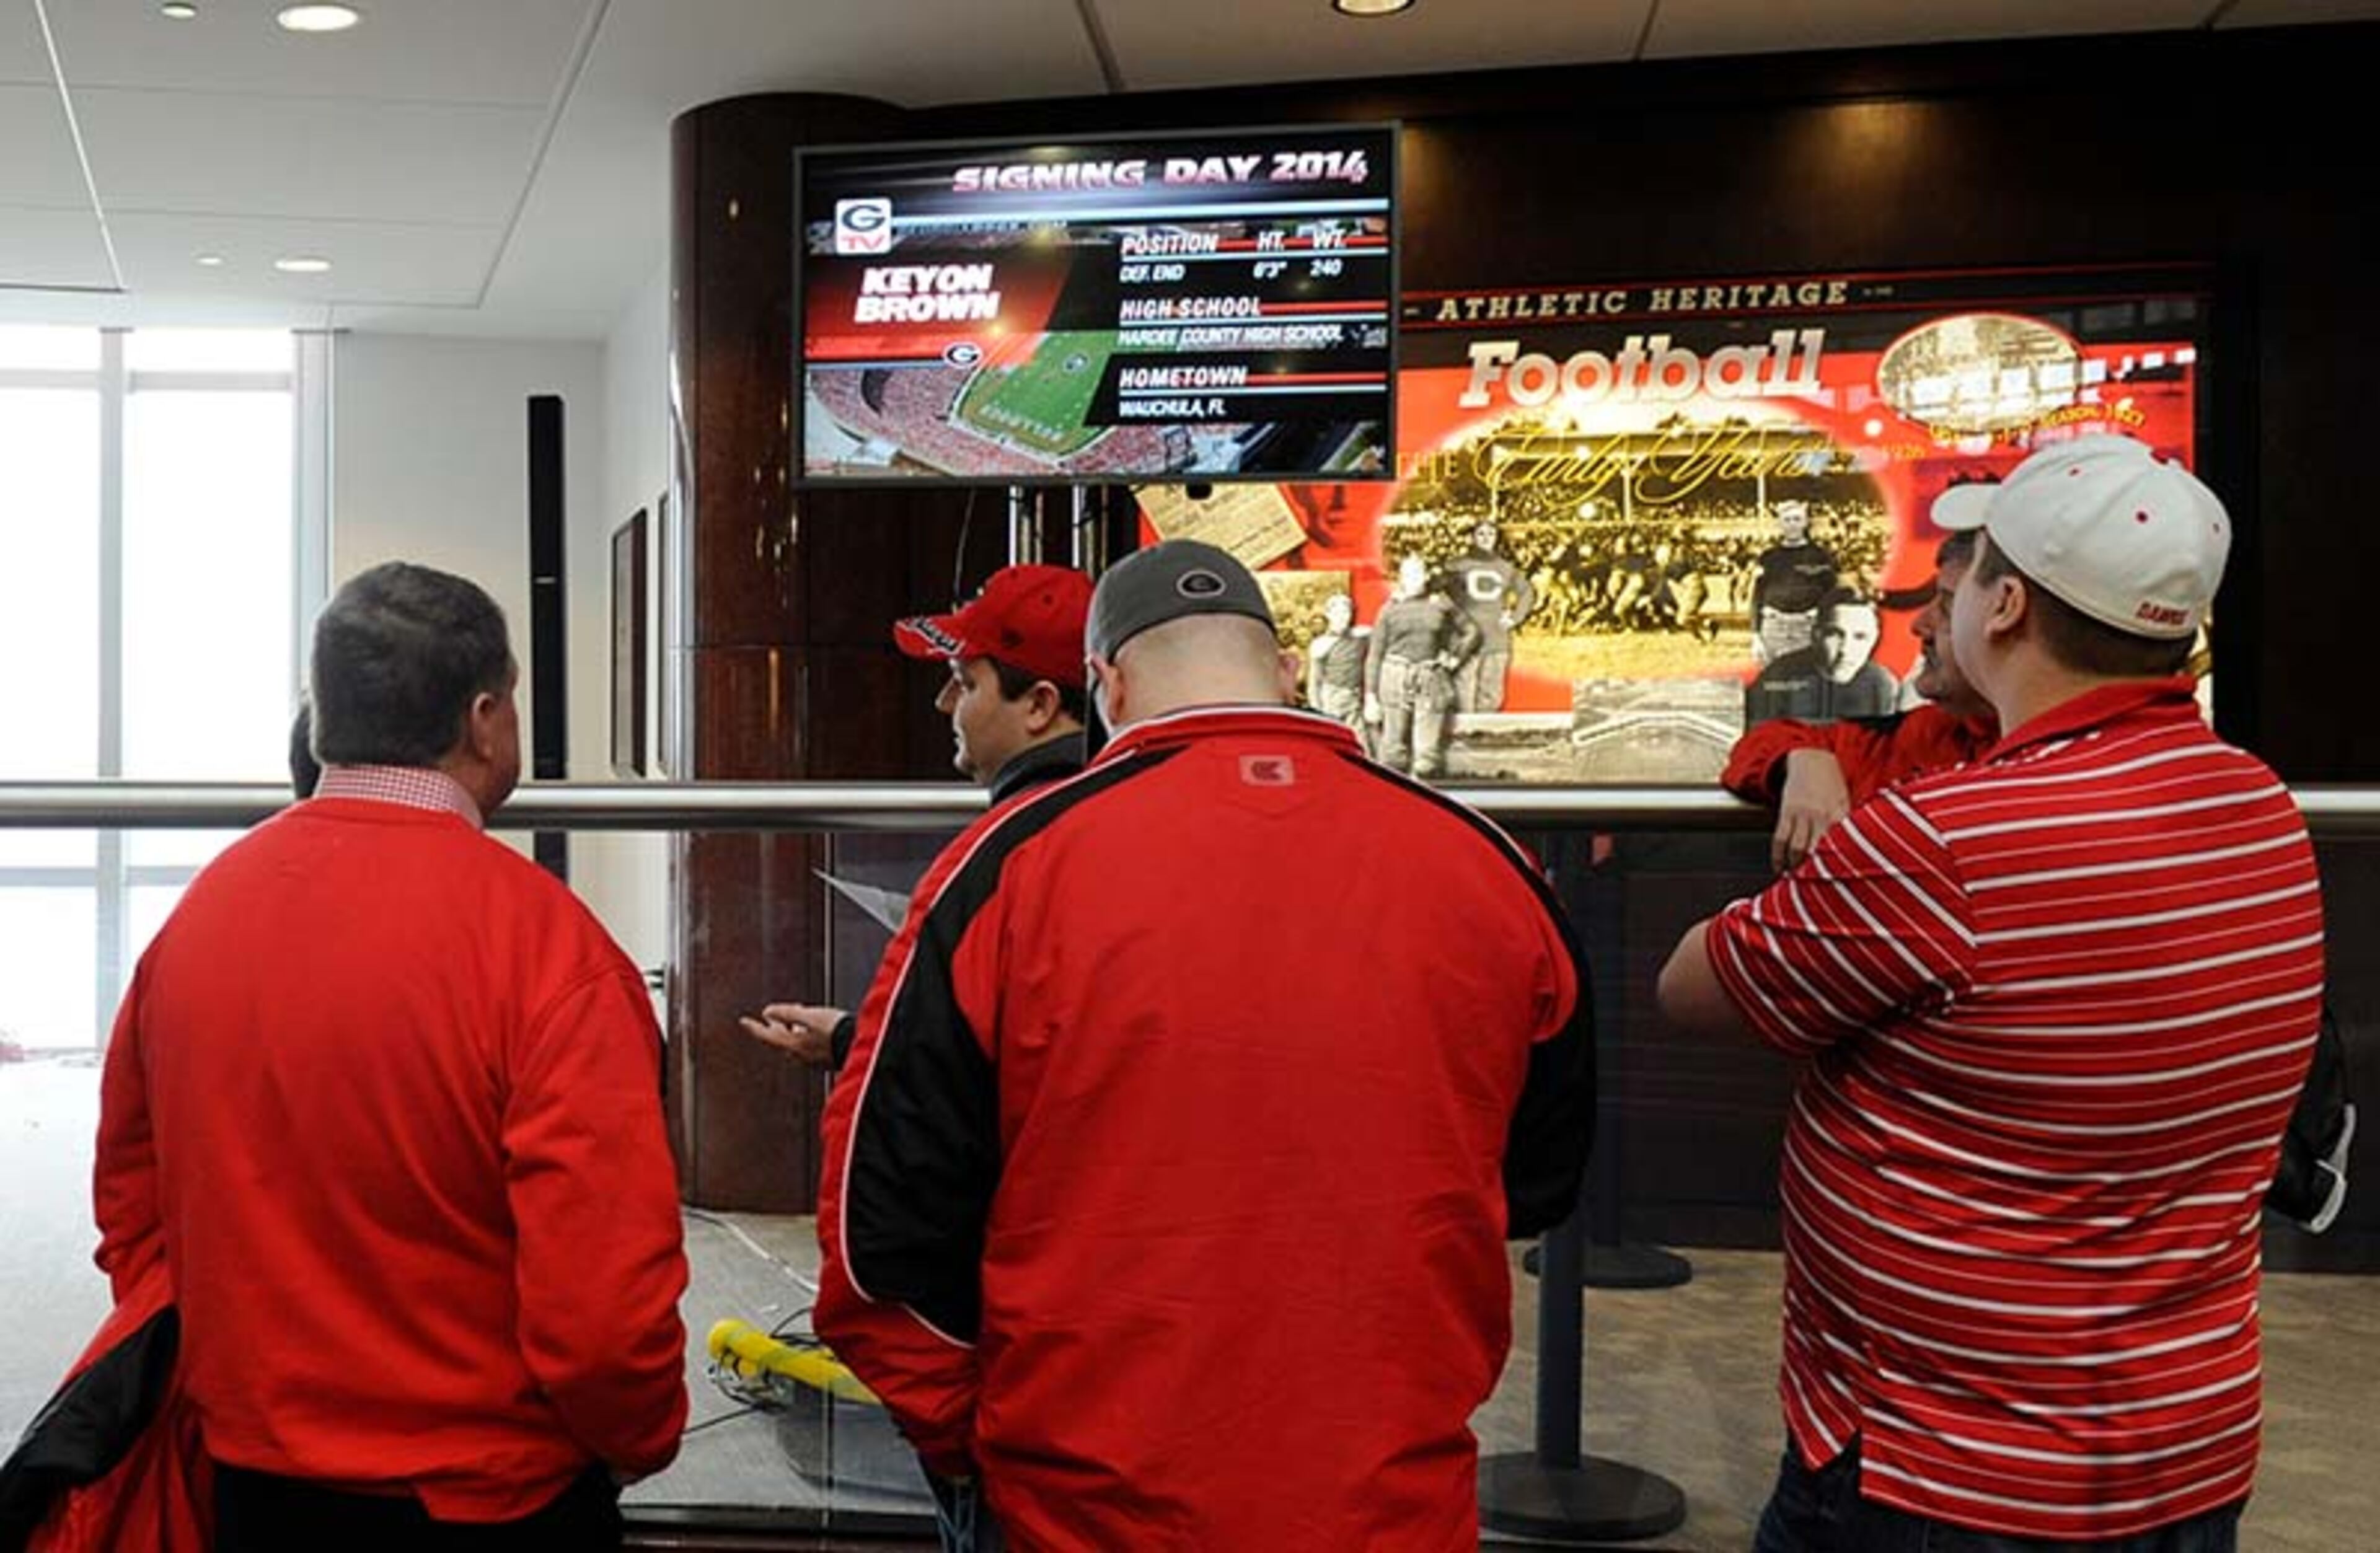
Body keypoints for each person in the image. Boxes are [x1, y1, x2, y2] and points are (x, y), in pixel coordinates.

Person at [813, 539, 1593, 1553]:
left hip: (1086, 1503)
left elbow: (878, 1227)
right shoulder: (1488, 863)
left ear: (1106, 685)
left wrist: (969, 1431)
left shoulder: (1006, 869)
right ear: (1284, 672)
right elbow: (1539, 1181)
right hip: (1387, 1505)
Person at [1658, 435, 2325, 1550]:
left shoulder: (1948, 840)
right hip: (2183, 1443)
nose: (1940, 603)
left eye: (1965, 576)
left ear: (2006, 603)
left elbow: (1694, 985)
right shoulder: (2259, 805)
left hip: (1941, 1468)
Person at [94, 561, 690, 1551]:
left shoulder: (197, 921)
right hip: (493, 1499)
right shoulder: (552, 951)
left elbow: (132, 1208)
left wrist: (236, 1378)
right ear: (487, 716)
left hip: (251, 1484)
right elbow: (602, 1306)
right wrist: (638, 1437)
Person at [739, 563, 1093, 1071]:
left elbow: (959, 1071)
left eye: (966, 684)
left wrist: (850, 1045)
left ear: (1039, 705)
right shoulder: (1130, 827)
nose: (944, 704)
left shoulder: (996, 862)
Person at [1724, 530, 1994, 868]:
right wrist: (1799, 759)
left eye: (1948, 606)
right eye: (1836, 634)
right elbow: (1756, 746)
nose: (1920, 626)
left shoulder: (1889, 699)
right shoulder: (1911, 737)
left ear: (2009, 611)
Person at [1365, 552, 1480, 779]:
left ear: (1427, 576)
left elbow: (1472, 632)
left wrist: (1455, 658)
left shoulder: (1441, 603)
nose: (1415, 577)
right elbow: (1375, 654)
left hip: (1430, 677)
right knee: (1392, 754)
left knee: (1427, 758)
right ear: (1402, 577)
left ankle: (1427, 802)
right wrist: (1371, 696)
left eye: (1419, 572)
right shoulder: (1389, 609)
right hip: (1395, 677)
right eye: (1410, 573)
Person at [1742, 586, 1897, 727]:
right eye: (1835, 634)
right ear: (1816, 636)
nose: (1846, 650)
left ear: (1875, 639)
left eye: (1860, 637)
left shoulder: (1881, 684)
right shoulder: (1777, 677)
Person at [1445, 518, 1536, 711]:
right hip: (1466, 638)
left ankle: (1482, 738)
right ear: (1473, 538)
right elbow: (1440, 594)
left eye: (1491, 534)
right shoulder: (1456, 566)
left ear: (1497, 539)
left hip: (1496, 637)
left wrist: (1515, 618)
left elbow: (1527, 592)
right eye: (1481, 534)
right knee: (1463, 693)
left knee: (1492, 695)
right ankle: (1465, 736)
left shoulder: (1506, 567)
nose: (1486, 539)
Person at [1748, 499, 1838, 664]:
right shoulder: (1768, 557)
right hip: (1774, 628)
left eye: (1797, 519)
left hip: (1808, 629)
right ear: (1780, 524)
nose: (1792, 525)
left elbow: (1832, 595)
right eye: (1787, 520)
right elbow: (1757, 597)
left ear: (1805, 523)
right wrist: (1755, 636)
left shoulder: (1821, 556)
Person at [1303, 589, 1368, 729]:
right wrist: (1317, 711)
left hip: (1354, 700)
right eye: (1337, 613)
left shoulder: (1361, 636)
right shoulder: (1321, 644)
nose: (1342, 617)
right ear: (1329, 615)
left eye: (1346, 612)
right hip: (1331, 699)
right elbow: (1315, 682)